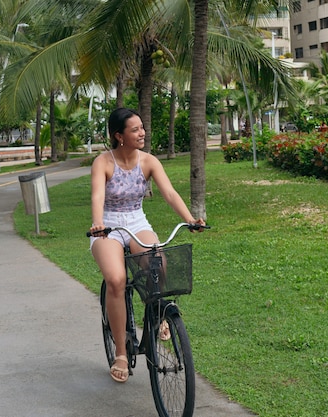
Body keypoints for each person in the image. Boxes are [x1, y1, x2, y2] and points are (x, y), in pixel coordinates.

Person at [88, 108, 206, 383]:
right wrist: (97, 223)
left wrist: (190, 220)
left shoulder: (149, 161)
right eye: (135, 130)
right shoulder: (103, 162)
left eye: (142, 127)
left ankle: (159, 314)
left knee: (158, 263)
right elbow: (97, 195)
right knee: (117, 280)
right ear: (119, 136)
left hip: (136, 220)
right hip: (109, 225)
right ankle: (120, 351)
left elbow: (169, 193)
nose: (142, 133)